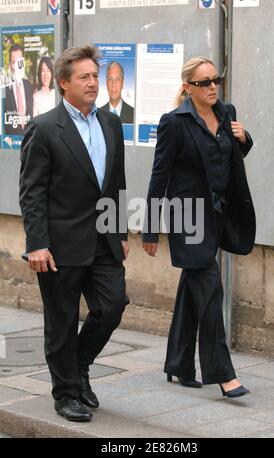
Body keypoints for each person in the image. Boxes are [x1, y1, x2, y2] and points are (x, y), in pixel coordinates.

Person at [19, 45, 129, 422]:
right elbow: (32, 191)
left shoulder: (111, 123)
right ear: (64, 82)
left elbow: (115, 181)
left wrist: (120, 229)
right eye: (84, 77)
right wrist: (37, 244)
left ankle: (78, 367)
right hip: (59, 243)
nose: (93, 83)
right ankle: (66, 393)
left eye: (95, 76)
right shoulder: (45, 127)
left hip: (103, 236)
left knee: (113, 305)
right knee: (62, 320)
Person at [142, 57, 255, 398]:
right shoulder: (174, 123)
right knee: (210, 289)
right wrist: (150, 229)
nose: (212, 87)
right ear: (187, 87)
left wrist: (244, 138)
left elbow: (225, 158)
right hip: (186, 218)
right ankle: (223, 374)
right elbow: (159, 176)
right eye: (204, 82)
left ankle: (178, 362)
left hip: (218, 215)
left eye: (215, 80)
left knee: (194, 289)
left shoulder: (226, 112)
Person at [4, 44, 33, 135]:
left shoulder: (29, 87)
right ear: (10, 65)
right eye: (14, 62)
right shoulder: (4, 89)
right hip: (11, 144)